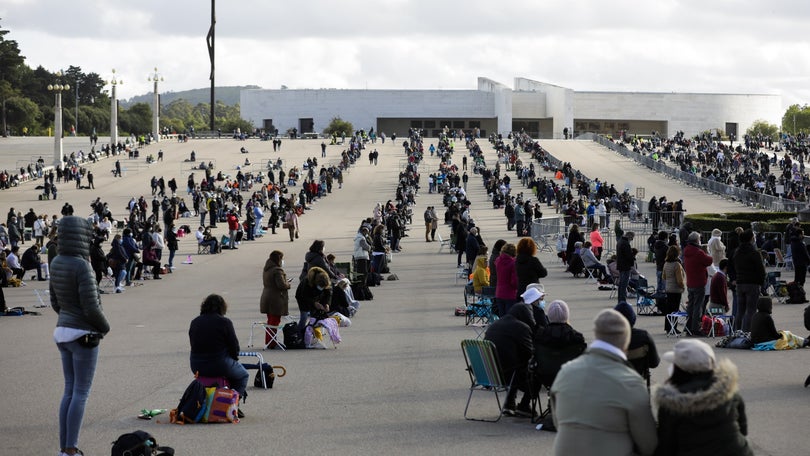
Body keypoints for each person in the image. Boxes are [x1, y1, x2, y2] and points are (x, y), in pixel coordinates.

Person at [550, 309, 657, 456]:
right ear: (625, 342)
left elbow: (558, 422)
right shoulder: (631, 383)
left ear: (596, 335)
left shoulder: (565, 373)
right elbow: (648, 444)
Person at [51, 216, 110, 456]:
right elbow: (91, 307)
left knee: (69, 390)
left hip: (62, 331)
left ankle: (65, 449)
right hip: (84, 333)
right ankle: (71, 448)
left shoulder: (56, 261)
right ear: (82, 236)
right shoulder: (82, 265)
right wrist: (104, 327)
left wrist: (67, 316)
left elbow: (55, 302)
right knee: (81, 393)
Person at [653, 339, 753, 456]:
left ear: (679, 369)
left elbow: (666, 446)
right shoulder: (729, 393)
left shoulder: (670, 404)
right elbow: (743, 430)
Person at [188, 294, 249, 414]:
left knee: (231, 369)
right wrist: (234, 359)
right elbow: (234, 346)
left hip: (196, 365)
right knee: (243, 375)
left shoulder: (195, 321)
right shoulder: (224, 322)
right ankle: (233, 404)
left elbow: (192, 342)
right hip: (219, 364)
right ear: (222, 307)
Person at [483, 303, 535, 417]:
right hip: (508, 375)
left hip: (488, 373)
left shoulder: (494, 325)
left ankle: (509, 403)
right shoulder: (521, 327)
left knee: (513, 361)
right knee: (536, 370)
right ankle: (524, 405)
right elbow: (530, 353)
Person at [613, 301, 660, 380]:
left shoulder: (607, 340)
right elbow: (654, 363)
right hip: (637, 380)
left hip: (614, 382)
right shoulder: (644, 337)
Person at [733, 229, 765, 332]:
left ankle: (737, 332)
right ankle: (747, 332)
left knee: (740, 310)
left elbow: (732, 266)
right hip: (752, 283)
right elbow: (761, 270)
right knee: (751, 310)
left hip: (740, 282)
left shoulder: (737, 252)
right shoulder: (754, 253)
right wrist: (761, 283)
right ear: (751, 239)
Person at [683, 231, 712, 335]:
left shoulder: (686, 250)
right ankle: (695, 328)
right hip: (699, 281)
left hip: (690, 281)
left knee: (691, 305)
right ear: (697, 240)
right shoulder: (698, 252)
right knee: (698, 306)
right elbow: (709, 261)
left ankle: (689, 326)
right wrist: (707, 252)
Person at [260, 250, 290, 349]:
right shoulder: (277, 270)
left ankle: (269, 341)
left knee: (270, 321)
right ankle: (272, 343)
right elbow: (281, 285)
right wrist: (288, 284)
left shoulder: (267, 269)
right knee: (275, 321)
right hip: (275, 299)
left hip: (267, 297)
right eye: (281, 258)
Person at [295, 266, 332, 340]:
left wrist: (326, 304)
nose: (322, 288)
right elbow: (304, 296)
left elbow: (328, 294)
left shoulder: (325, 281)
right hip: (302, 298)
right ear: (316, 283)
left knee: (315, 318)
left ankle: (310, 335)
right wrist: (314, 303)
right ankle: (299, 337)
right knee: (304, 317)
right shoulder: (307, 282)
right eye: (320, 286)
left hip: (315, 297)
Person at [661, 245, 685, 334]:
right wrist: (682, 286)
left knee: (669, 309)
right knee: (675, 309)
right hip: (676, 289)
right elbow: (679, 280)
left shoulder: (666, 263)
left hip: (668, 288)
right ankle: (673, 327)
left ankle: (667, 327)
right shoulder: (677, 265)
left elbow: (663, 276)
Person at [494, 242, 518, 317]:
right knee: (510, 317)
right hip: (510, 293)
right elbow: (514, 282)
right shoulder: (513, 263)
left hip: (499, 292)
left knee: (502, 316)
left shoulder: (498, 260)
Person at [616, 231, 635, 303]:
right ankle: (622, 301)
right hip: (625, 266)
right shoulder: (626, 243)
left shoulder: (620, 241)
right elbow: (628, 256)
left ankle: (620, 300)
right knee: (624, 284)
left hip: (620, 265)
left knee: (621, 284)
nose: (632, 240)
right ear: (629, 236)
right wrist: (632, 261)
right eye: (632, 238)